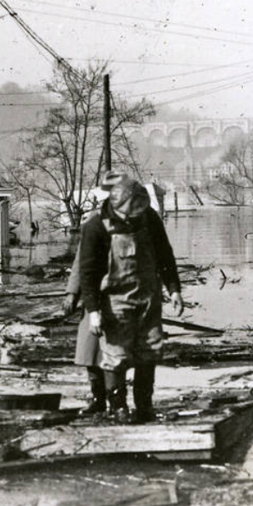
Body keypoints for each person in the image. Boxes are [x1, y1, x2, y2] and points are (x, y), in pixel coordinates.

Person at [79, 178, 184, 423]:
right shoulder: (96, 227)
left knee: (149, 352)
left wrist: (174, 289)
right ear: (116, 207)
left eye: (138, 213)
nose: (133, 219)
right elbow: (87, 273)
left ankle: (144, 408)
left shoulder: (149, 219)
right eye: (130, 214)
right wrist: (93, 311)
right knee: (115, 356)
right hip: (115, 302)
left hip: (148, 297)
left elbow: (165, 256)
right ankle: (118, 409)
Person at [62, 171, 129, 416]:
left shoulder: (130, 223)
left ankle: (118, 403)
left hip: (119, 298)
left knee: (114, 353)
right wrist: (72, 293)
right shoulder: (93, 224)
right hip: (93, 298)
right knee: (89, 352)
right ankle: (98, 399)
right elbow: (82, 263)